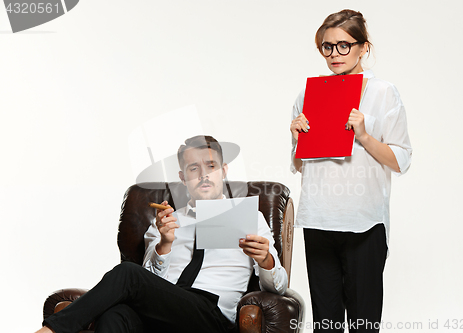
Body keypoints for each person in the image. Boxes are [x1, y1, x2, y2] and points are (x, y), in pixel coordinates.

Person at [36, 135, 288, 333]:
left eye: (210, 166)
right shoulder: (167, 220)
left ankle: (52, 330)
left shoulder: (249, 217)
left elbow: (279, 286)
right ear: (182, 177)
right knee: (115, 316)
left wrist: (265, 260)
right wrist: (164, 245)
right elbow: (146, 284)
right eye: (193, 169)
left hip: (210, 317)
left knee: (126, 272)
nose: (203, 175)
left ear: (223, 170)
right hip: (162, 311)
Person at [289, 9, 412, 332]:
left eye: (344, 45)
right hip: (318, 219)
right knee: (326, 324)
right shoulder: (308, 94)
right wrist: (296, 139)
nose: (335, 54)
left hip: (364, 222)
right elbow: (301, 166)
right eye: (327, 46)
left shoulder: (382, 92)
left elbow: (401, 159)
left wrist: (364, 135)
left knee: (363, 323)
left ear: (363, 47)